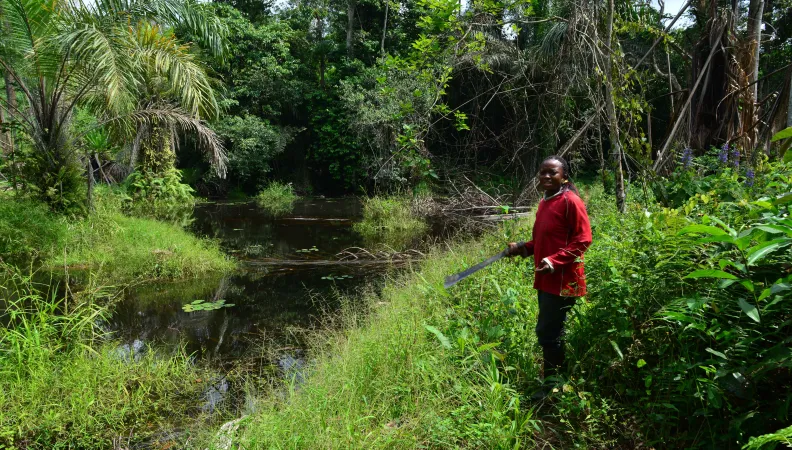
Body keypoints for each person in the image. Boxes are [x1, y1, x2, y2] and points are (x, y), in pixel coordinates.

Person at [506, 155, 592, 399]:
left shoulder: (570, 201)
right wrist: (523, 247)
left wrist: (554, 261)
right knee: (552, 332)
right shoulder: (546, 202)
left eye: (552, 173)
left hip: (564, 280)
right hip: (546, 279)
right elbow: (544, 240)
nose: (545, 176)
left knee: (548, 333)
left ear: (564, 176)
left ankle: (552, 388)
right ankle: (556, 381)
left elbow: (584, 239)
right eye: (542, 172)